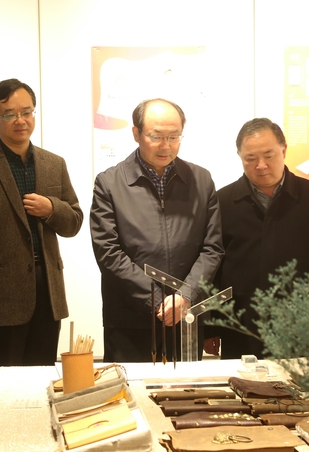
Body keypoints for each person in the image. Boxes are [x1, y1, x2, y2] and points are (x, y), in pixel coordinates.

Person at [90, 98, 224, 362]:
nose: (166, 145)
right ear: (136, 133)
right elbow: (108, 252)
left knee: (186, 387)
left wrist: (185, 295)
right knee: (129, 387)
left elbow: (213, 248)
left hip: (186, 316)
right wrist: (157, 300)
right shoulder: (109, 183)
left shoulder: (201, 180)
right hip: (130, 318)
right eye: (156, 136)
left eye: (174, 136)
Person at [0, 78, 83, 366]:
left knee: (42, 374)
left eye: (27, 112)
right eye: (10, 114)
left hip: (48, 290)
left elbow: (74, 222)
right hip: (1, 295)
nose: (20, 120)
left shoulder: (54, 163)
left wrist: (51, 208)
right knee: (2, 380)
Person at [213, 118, 309, 360]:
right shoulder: (223, 201)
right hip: (240, 325)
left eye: (269, 155)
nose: (261, 165)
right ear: (239, 156)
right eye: (250, 158)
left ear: (284, 150)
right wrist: (212, 326)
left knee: (297, 383)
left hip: (298, 325)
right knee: (240, 383)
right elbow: (214, 265)